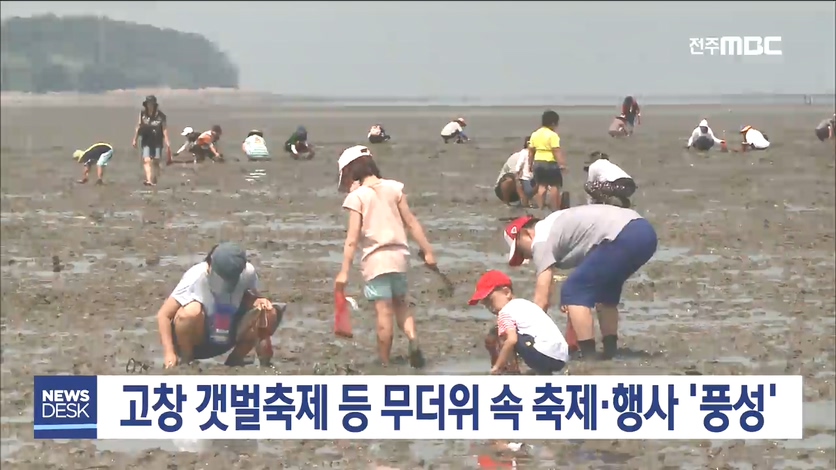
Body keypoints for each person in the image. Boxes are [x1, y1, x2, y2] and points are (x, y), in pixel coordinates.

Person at [502, 206, 658, 359]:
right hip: (644, 232)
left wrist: (527, 336)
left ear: (526, 233)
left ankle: (589, 356)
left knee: (573, 290)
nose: (527, 257)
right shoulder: (556, 223)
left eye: (521, 251)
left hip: (623, 235)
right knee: (605, 291)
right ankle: (610, 351)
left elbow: (541, 300)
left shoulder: (541, 239)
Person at [335, 144, 436, 368]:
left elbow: (352, 239)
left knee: (383, 312)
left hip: (376, 260)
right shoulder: (394, 188)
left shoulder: (357, 197)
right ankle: (412, 338)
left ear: (351, 172)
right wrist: (428, 250)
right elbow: (411, 222)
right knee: (401, 304)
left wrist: (344, 271)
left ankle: (384, 361)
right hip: (400, 257)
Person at [156, 242, 286, 368]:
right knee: (191, 312)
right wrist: (169, 353)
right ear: (210, 263)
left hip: (227, 335)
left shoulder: (247, 273)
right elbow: (164, 315)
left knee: (267, 311)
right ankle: (187, 360)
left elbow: (250, 298)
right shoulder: (195, 277)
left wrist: (259, 301)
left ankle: (235, 360)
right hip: (198, 340)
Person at [468, 270, 570, 375]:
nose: (489, 307)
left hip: (543, 354)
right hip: (561, 357)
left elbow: (511, 340)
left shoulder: (505, 312)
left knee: (499, 333)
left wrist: (497, 366)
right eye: (485, 304)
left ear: (507, 292)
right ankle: (544, 374)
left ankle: (510, 372)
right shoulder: (525, 304)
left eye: (490, 300)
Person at [529, 110, 568, 211]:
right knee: (554, 186)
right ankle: (555, 209)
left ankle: (541, 208)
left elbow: (531, 151)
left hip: (538, 162)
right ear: (553, 123)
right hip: (550, 162)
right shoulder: (552, 135)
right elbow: (556, 151)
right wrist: (562, 164)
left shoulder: (535, 134)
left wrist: (530, 164)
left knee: (541, 186)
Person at [132, 95, 171, 186]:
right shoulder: (142, 114)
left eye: (151, 104)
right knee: (147, 160)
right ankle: (149, 180)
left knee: (156, 160)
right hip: (146, 139)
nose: (150, 105)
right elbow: (138, 126)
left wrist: (167, 140)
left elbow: (164, 128)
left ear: (154, 104)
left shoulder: (161, 116)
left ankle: (155, 177)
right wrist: (135, 139)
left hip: (157, 140)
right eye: (148, 104)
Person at [494, 138, 531, 205]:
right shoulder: (517, 157)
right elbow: (516, 178)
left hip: (523, 186)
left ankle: (527, 199)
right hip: (504, 190)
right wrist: (523, 198)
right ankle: (506, 202)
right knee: (510, 179)